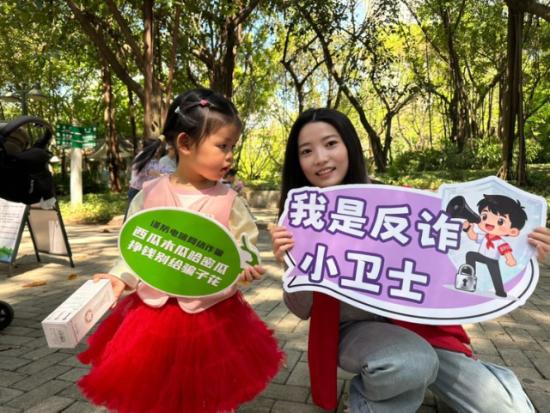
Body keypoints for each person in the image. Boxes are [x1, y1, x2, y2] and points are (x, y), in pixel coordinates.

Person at [270, 108, 550, 413]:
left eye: (330, 144)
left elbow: (461, 255)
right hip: (356, 331)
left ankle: (494, 379)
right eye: (307, 151)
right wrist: (293, 266)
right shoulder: (300, 219)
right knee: (413, 362)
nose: (321, 158)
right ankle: (369, 398)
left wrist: (524, 249)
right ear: (298, 162)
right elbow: (301, 309)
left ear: (348, 145)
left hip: (421, 325)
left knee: (506, 409)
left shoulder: (398, 203)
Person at [78, 88, 284, 413]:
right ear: (185, 144)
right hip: (151, 316)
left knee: (210, 390)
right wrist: (120, 278)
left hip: (211, 315)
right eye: (222, 146)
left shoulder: (230, 202)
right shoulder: (148, 196)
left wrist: (246, 268)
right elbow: (136, 249)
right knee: (154, 389)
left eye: (233, 146)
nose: (230, 156)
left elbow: (244, 248)